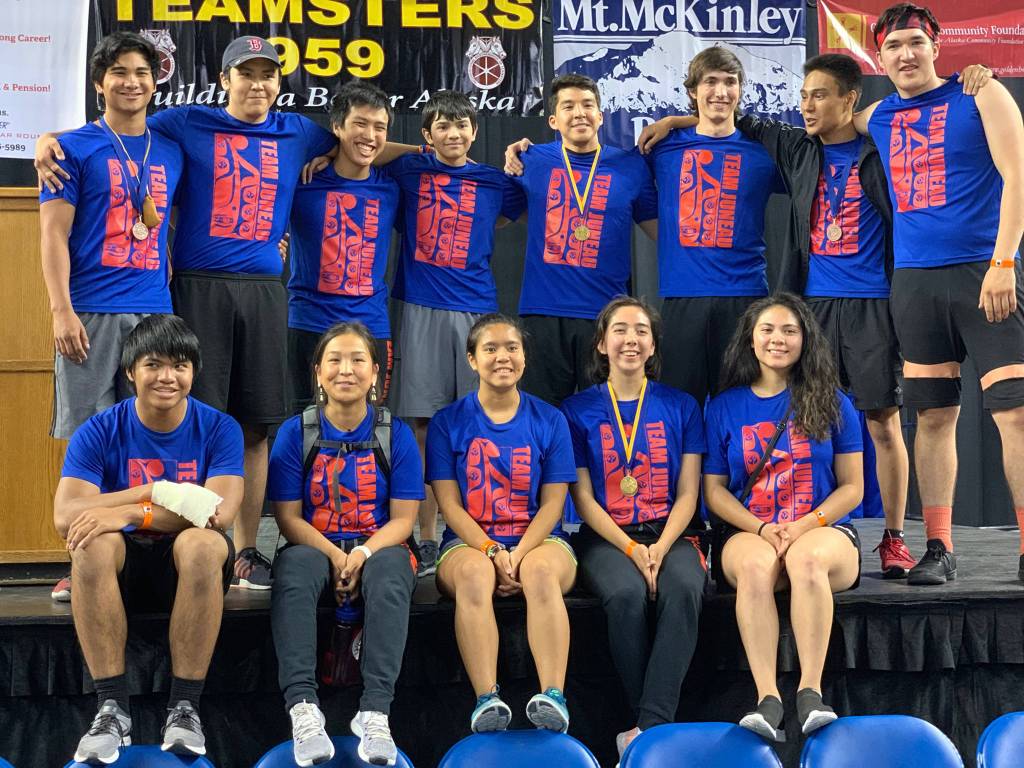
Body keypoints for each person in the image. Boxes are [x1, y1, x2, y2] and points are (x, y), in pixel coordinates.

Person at [37, 35, 340, 590]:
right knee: (119, 430)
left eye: (266, 74)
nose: (257, 83)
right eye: (244, 73)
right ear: (223, 79)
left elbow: (361, 142)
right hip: (175, 296)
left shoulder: (291, 132)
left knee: (251, 426)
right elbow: (92, 150)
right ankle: (91, 554)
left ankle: (242, 551)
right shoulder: (183, 126)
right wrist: (44, 138)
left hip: (226, 296)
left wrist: (428, 154)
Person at [858, 4, 1024, 584]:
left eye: (915, 43)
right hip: (916, 283)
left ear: (935, 47)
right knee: (932, 416)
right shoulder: (877, 116)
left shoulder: (981, 95)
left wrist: (1004, 262)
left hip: (985, 272)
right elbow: (831, 120)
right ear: (879, 57)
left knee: (1015, 415)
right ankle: (939, 547)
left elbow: (1017, 178)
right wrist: (679, 124)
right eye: (893, 46)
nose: (905, 54)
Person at [53, 315, 244, 764]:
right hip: (123, 568)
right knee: (91, 542)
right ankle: (111, 708)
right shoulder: (99, 430)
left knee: (202, 543)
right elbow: (66, 516)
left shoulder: (219, 428)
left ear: (193, 372)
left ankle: (184, 707)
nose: (167, 377)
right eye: (153, 364)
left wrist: (123, 512)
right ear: (129, 372)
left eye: (179, 366)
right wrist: (146, 492)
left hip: (185, 565)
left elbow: (217, 513)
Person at [39, 32, 184, 602]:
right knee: (87, 435)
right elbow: (52, 233)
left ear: (156, 80)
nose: (132, 82)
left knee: (145, 437)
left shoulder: (169, 144)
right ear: (99, 82)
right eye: (119, 72)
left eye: (142, 72)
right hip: (90, 313)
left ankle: (138, 562)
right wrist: (60, 310)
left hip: (154, 313)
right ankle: (81, 558)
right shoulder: (71, 149)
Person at [703, 294, 863, 741]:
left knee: (806, 560)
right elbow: (713, 491)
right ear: (750, 341)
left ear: (805, 339)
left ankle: (810, 692)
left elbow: (853, 487)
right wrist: (760, 527)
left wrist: (805, 525)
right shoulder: (724, 407)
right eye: (768, 330)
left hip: (821, 530)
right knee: (756, 566)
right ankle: (767, 696)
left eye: (790, 330)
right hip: (751, 531)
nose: (778, 339)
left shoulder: (833, 401)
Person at [268, 321, 423, 767]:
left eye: (358, 360)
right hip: (315, 543)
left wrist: (361, 553)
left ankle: (375, 712)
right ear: (317, 372)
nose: (346, 370)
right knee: (294, 572)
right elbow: (287, 517)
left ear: (376, 372)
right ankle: (303, 709)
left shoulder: (395, 434)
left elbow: (404, 520)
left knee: (392, 574)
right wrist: (337, 555)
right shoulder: (295, 433)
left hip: (378, 544)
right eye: (334, 360)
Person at [386, 91, 526, 576]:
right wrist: (412, 152)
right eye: (443, 126)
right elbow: (367, 147)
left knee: (477, 423)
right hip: (420, 307)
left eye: (463, 125)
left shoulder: (493, 182)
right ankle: (425, 536)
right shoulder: (409, 171)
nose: (454, 134)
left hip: (477, 311)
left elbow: (516, 208)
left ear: (475, 130)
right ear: (428, 135)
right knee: (421, 424)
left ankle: (478, 531)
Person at [561, 297, 706, 760]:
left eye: (641, 330)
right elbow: (582, 498)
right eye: (620, 330)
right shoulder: (576, 409)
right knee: (624, 596)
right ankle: (651, 726)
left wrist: (661, 546)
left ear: (653, 344)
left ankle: (647, 728)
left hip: (672, 532)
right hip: (607, 536)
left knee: (684, 588)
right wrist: (629, 547)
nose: (631, 339)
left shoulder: (681, 405)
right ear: (602, 343)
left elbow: (688, 492)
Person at [426, 314, 578, 732]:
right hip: (469, 544)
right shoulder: (447, 422)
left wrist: (520, 553)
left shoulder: (550, 419)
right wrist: (493, 552)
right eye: (490, 349)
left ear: (525, 358)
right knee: (475, 575)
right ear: (472, 360)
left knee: (540, 571)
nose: (502, 357)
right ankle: (487, 701)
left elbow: (552, 504)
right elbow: (449, 505)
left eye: (512, 347)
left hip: (540, 539)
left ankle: (553, 698)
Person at [634, 46, 786, 406]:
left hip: (745, 297)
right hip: (683, 296)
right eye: (710, 82)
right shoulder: (662, 147)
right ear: (692, 91)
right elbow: (622, 187)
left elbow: (818, 150)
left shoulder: (764, 150)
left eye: (730, 82)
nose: (721, 92)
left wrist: (673, 119)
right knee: (677, 407)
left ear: (740, 89)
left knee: (739, 405)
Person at [502, 73, 658, 407]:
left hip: (605, 316)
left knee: (606, 419)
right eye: (568, 106)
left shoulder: (631, 166)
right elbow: (495, 216)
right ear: (553, 120)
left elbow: (659, 230)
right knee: (541, 418)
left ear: (601, 115)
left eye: (588, 105)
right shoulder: (530, 160)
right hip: (543, 314)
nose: (579, 113)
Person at [286, 81, 400, 414]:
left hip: (371, 325)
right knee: (304, 424)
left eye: (380, 127)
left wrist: (338, 150)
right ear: (337, 126)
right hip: (309, 323)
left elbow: (432, 156)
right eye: (360, 124)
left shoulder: (393, 186)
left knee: (371, 426)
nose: (370, 135)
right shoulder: (303, 181)